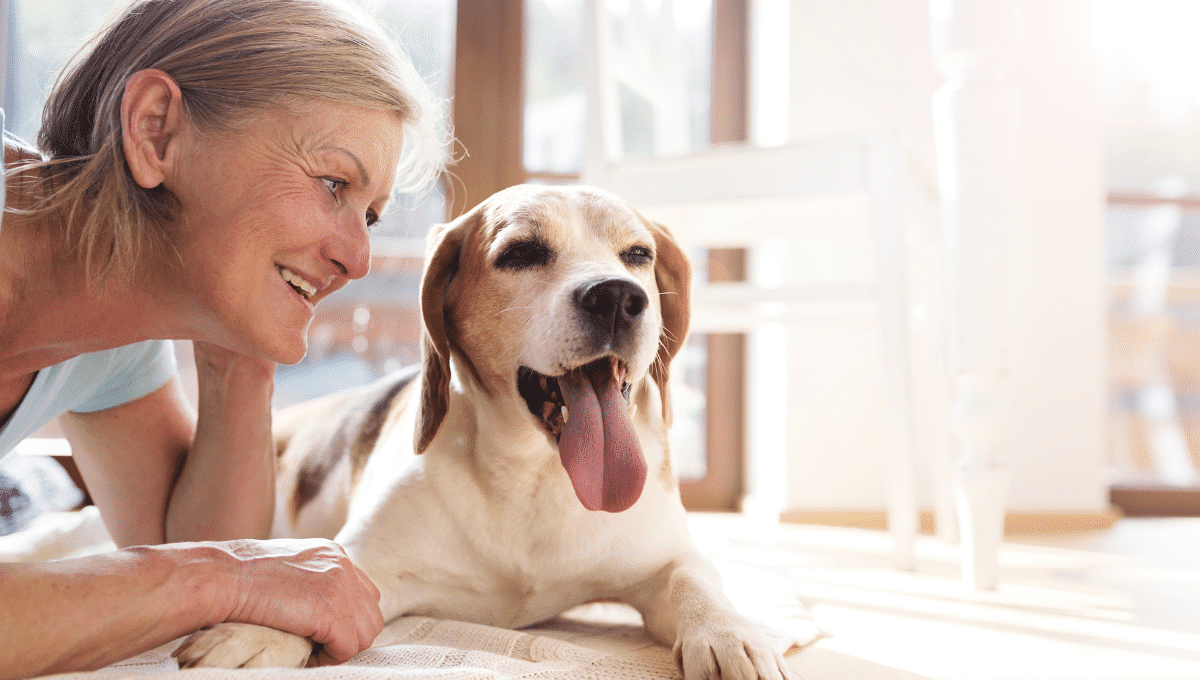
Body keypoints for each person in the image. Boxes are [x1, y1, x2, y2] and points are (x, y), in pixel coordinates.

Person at [0, 0, 446, 676]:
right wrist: (225, 577)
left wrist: (245, 358)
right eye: (332, 184)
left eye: (372, 216)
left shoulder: (112, 324)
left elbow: (180, 544)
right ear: (157, 131)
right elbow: (205, 572)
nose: (358, 259)